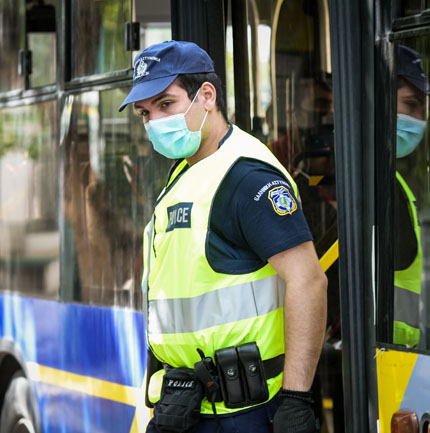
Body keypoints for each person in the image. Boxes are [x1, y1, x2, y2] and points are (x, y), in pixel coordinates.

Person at [118, 41, 327, 433]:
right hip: (186, 405)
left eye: (166, 105)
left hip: (243, 413)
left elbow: (308, 281)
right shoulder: (186, 169)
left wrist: (296, 398)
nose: (154, 122)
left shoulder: (247, 177)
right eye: (145, 113)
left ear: (207, 96)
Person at [391, 45, 430, 348]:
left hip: (398, 348)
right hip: (391, 350)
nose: (419, 119)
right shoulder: (378, 184)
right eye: (411, 105)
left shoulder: (390, 177)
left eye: (423, 109)